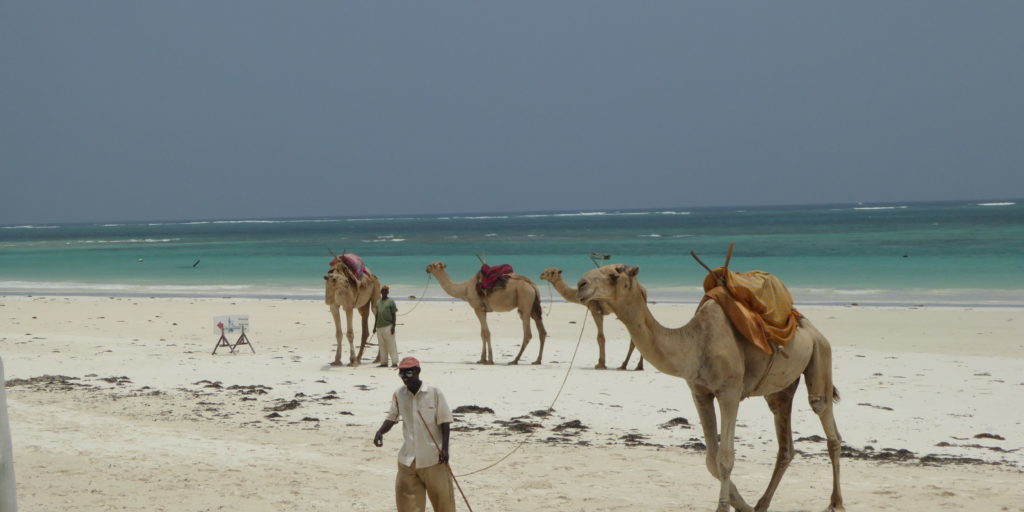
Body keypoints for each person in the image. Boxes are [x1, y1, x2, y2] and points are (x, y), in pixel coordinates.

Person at [373, 357, 454, 512]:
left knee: (444, 504)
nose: (404, 377)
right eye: (401, 374)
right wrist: (380, 432)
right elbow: (392, 417)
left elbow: (445, 421)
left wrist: (445, 449)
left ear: (417, 372)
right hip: (408, 460)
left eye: (408, 373)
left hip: (433, 459)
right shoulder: (399, 394)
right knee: (407, 507)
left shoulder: (434, 392)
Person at [374, 285, 400, 368]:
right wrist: (374, 327)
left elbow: (394, 314)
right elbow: (377, 315)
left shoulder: (391, 302)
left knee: (391, 344)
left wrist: (393, 326)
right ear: (381, 292)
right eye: (382, 291)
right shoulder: (378, 302)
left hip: (388, 326)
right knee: (382, 346)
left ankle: (394, 362)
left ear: (388, 292)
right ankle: (384, 363)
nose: (384, 292)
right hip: (379, 327)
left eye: (385, 291)